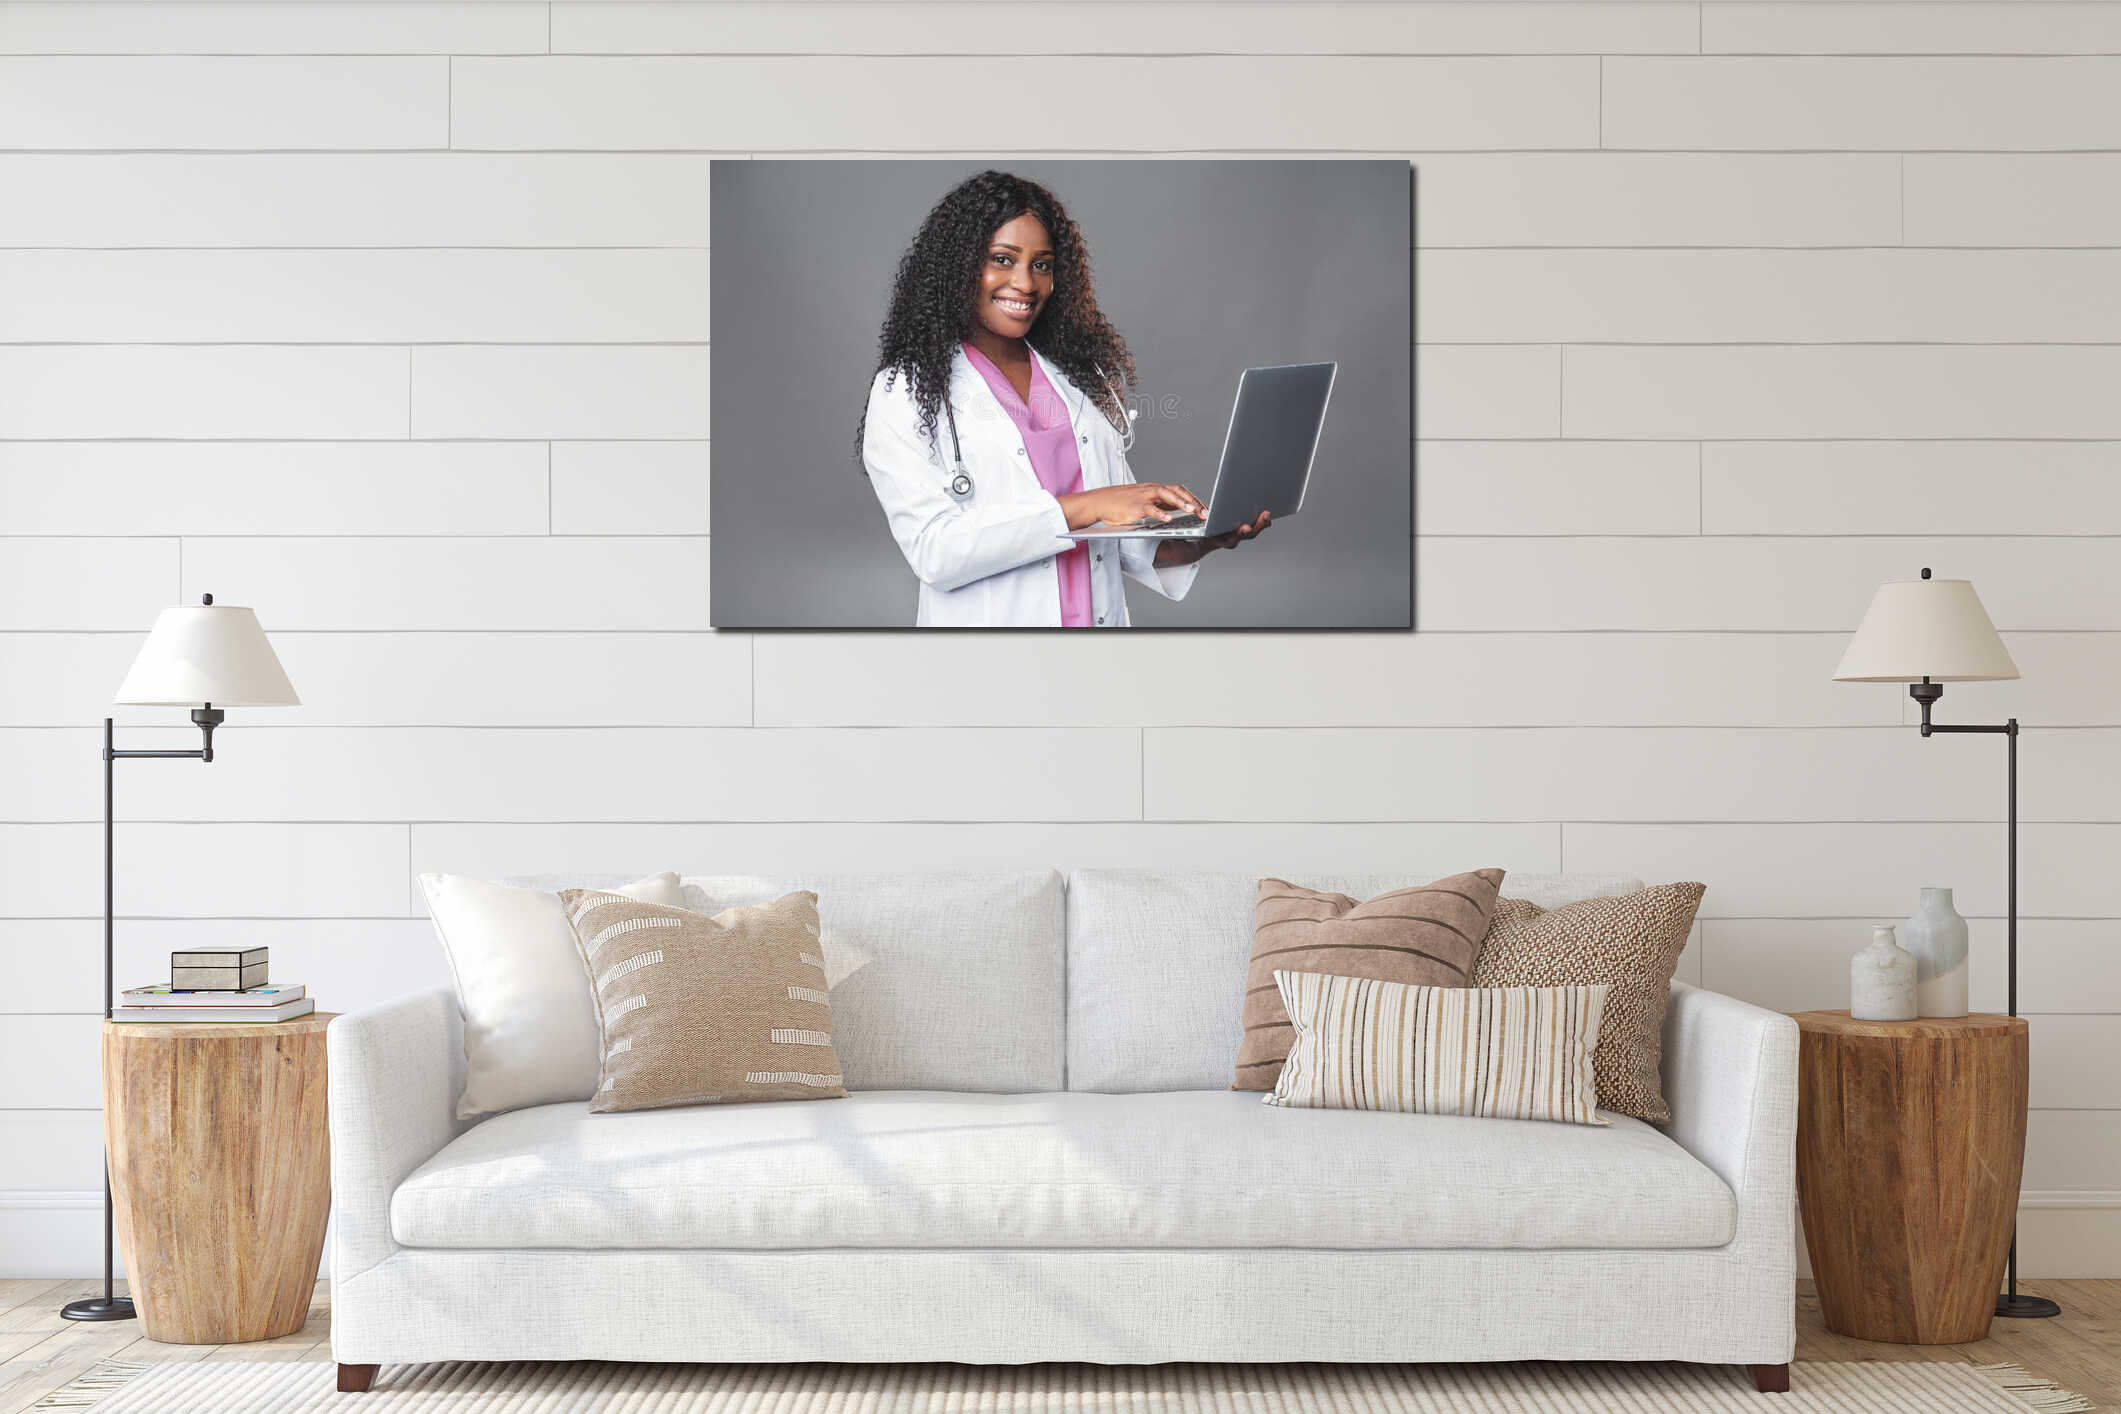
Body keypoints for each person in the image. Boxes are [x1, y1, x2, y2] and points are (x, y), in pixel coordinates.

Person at [859, 170, 1269, 627]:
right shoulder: (906, 389)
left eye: (1041, 264)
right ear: (959, 266)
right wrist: (1090, 504)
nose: (1026, 284)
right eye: (1002, 258)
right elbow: (935, 552)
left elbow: (1125, 544)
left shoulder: (1076, 379)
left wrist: (1206, 537)